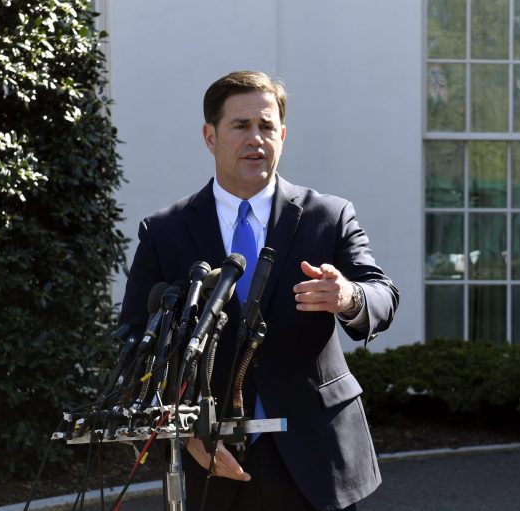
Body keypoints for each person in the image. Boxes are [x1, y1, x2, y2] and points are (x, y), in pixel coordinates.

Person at [119, 70, 400, 511]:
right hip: (215, 458)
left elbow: (382, 296)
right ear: (210, 136)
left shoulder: (329, 215)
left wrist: (348, 296)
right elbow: (135, 338)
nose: (256, 138)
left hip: (316, 455)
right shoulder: (164, 232)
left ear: (282, 135)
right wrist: (188, 435)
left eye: (267, 126)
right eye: (240, 126)